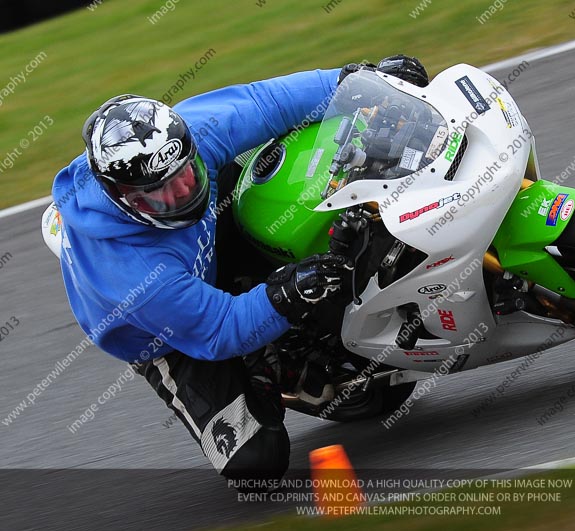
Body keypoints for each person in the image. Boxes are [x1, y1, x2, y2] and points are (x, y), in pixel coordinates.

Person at [49, 56, 428, 485]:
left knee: (289, 156)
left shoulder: (179, 140)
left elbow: (267, 102)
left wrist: (359, 83)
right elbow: (219, 329)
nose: (182, 193)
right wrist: (286, 293)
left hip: (213, 240)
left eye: (186, 173)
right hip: (172, 335)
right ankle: (266, 366)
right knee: (257, 464)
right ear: (123, 199)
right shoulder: (129, 274)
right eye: (161, 195)